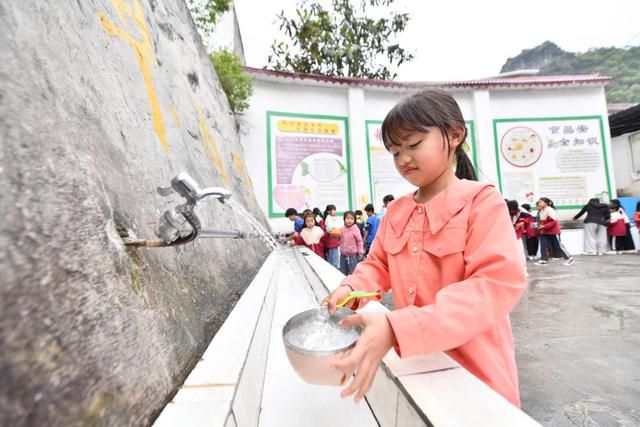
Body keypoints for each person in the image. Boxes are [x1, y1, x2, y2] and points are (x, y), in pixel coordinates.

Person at [325, 89, 527, 407]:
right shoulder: (396, 212)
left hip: (478, 374)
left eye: (414, 145)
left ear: (455, 135)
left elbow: (494, 285)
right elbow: (377, 265)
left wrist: (398, 328)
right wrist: (349, 288)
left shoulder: (481, 202)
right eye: (394, 151)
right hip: (421, 364)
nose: (404, 159)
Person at [534, 198, 574, 265]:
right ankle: (543, 259)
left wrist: (544, 226)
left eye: (541, 202)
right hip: (545, 231)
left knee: (558, 246)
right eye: (539, 202)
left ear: (546, 203)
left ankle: (570, 258)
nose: (539, 203)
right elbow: (542, 222)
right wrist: (539, 226)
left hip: (553, 232)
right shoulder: (541, 211)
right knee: (543, 245)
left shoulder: (550, 210)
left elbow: (553, 221)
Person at [506, 200, 530, 273]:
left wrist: (522, 222)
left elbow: (530, 220)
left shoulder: (522, 212)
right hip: (506, 234)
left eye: (513, 210)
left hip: (518, 235)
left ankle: (523, 270)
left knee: (520, 252)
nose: (512, 212)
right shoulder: (503, 211)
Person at [339, 211, 364, 275]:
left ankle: (353, 284)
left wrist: (360, 252)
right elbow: (338, 238)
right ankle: (344, 284)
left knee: (353, 272)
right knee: (343, 272)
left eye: (351, 218)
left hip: (352, 256)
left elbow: (359, 242)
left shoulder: (355, 229)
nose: (349, 220)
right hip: (343, 255)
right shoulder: (341, 229)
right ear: (344, 219)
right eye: (347, 218)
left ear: (354, 220)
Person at [323, 204, 342, 269]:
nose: (334, 211)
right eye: (333, 210)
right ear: (328, 211)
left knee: (333, 257)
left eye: (335, 209)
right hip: (332, 241)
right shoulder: (329, 219)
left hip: (333, 241)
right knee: (334, 258)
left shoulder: (331, 218)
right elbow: (331, 230)